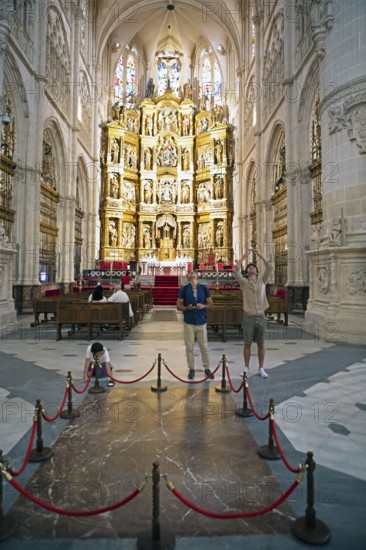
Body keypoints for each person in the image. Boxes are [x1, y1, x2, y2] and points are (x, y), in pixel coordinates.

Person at [233, 248, 273, 378]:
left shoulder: (262, 281)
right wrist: (244, 256)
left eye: (253, 268)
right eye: (249, 268)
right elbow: (235, 270)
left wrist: (259, 254)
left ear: (257, 271)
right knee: (247, 344)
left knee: (261, 344)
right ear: (247, 271)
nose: (251, 269)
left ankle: (261, 368)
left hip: (260, 317)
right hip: (248, 317)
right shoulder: (243, 283)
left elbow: (270, 267)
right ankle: (246, 367)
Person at [176, 271, 214, 380]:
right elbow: (178, 306)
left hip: (201, 322)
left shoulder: (204, 289)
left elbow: (211, 304)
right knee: (189, 347)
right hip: (189, 322)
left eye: (194, 276)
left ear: (198, 277)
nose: (193, 278)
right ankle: (191, 369)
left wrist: (204, 306)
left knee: (204, 347)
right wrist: (187, 308)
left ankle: (206, 368)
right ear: (188, 279)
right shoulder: (184, 289)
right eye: (190, 277)